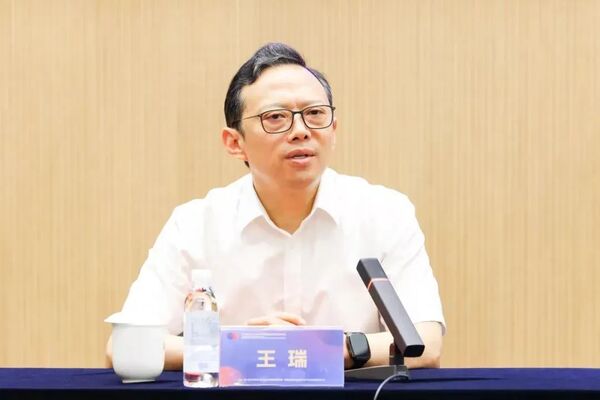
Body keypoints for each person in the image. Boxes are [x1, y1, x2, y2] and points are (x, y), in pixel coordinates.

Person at [106, 42, 445, 371]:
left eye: (315, 114)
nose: (300, 131)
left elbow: (425, 343)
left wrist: (326, 348)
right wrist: (245, 346)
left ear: (334, 129)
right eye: (276, 117)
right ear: (235, 142)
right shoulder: (195, 224)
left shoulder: (385, 213)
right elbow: (125, 347)